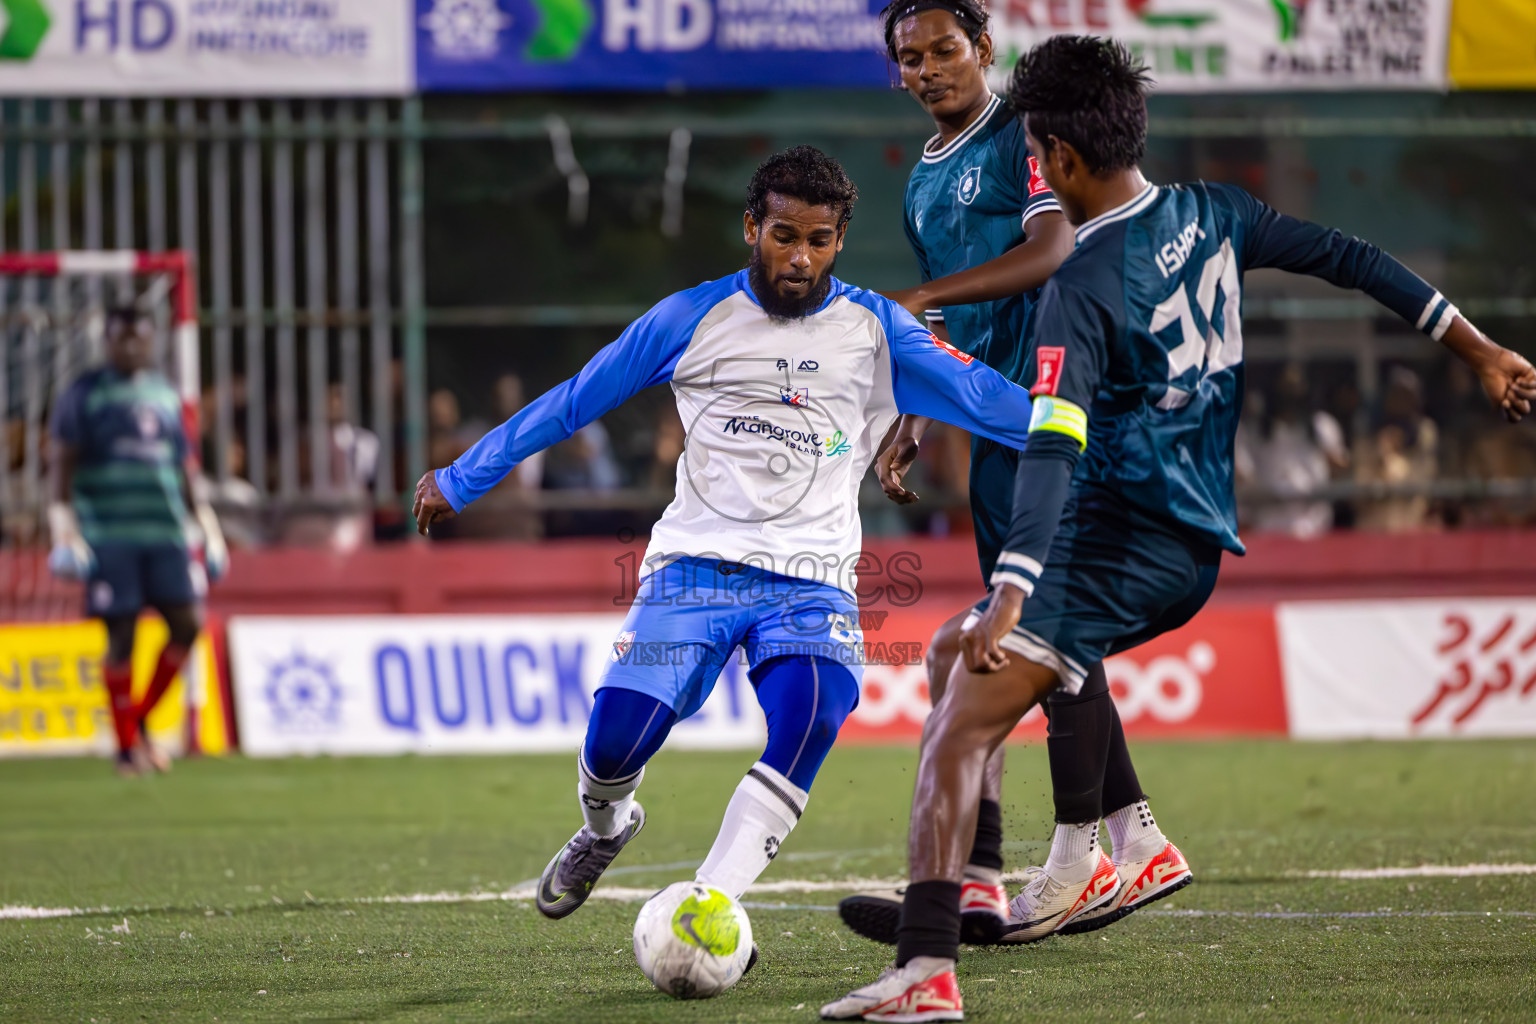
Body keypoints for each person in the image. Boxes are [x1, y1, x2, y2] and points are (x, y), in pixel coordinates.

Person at [825, 37, 1536, 1021]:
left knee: (961, 707)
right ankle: (1028, 872)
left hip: (1116, 544)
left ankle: (926, 970)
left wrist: (1020, 582)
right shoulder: (1218, 211)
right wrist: (1481, 347)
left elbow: (1053, 443)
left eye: (1039, 155)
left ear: (1062, 160)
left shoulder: (1080, 285)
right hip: (1192, 539)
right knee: (954, 656)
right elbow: (1357, 260)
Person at [411, 147, 1041, 967]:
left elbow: (998, 405)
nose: (800, 257)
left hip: (809, 580)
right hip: (694, 572)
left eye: (819, 239)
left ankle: (710, 903)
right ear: (753, 228)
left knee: (816, 708)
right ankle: (607, 825)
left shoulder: (878, 331)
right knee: (613, 746)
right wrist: (463, 477)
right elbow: (573, 400)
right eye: (784, 235)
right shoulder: (689, 319)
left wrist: (1117, 447)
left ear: (840, 240)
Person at [838, 0, 1189, 951]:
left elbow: (1052, 250)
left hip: (1055, 408)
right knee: (1048, 628)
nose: (926, 70)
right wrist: (916, 414)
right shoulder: (919, 183)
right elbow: (947, 333)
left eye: (944, 51)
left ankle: (1080, 860)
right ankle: (1135, 837)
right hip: (992, 426)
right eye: (908, 58)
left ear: (984, 49)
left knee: (1037, 629)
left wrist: (921, 296)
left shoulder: (1020, 138)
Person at [48, 307, 229, 777]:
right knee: (122, 634)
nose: (131, 347)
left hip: (165, 530)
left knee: (187, 624)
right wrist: (63, 526)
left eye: (139, 339)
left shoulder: (164, 395)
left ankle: (140, 721)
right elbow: (63, 465)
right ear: (107, 341)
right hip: (110, 531)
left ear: (151, 341)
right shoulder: (85, 394)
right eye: (122, 339)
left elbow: (182, 468)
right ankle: (128, 749)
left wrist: (206, 524)